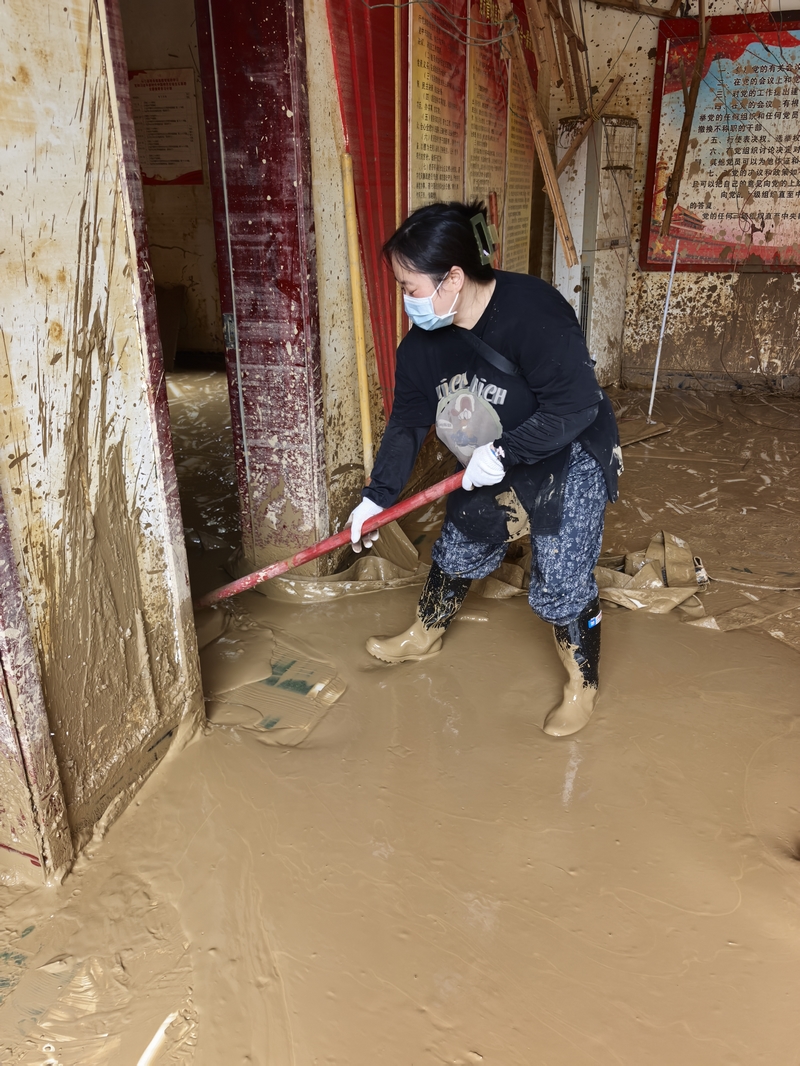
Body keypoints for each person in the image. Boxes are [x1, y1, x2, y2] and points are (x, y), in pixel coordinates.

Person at [346, 201, 621, 737]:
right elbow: (406, 424)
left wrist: (504, 454)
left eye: (409, 286)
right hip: (491, 455)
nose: (405, 301)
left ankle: (581, 683)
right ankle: (425, 632)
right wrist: (377, 497)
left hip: (566, 446)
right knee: (464, 534)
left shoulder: (533, 312)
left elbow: (575, 407)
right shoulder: (422, 349)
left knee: (562, 572)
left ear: (452, 278)